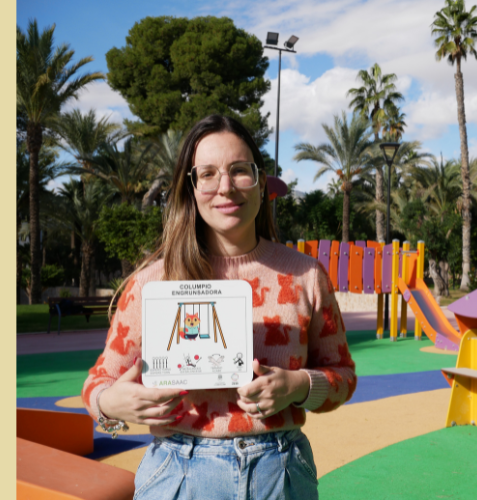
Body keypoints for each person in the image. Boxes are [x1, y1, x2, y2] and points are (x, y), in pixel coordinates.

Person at [81, 114, 356, 500]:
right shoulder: (151, 282)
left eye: (240, 170)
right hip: (177, 473)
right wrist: (111, 403)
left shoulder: (306, 275)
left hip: (280, 474)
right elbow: (98, 383)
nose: (225, 187)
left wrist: (298, 386)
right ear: (191, 188)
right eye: (207, 174)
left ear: (261, 181)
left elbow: (343, 376)